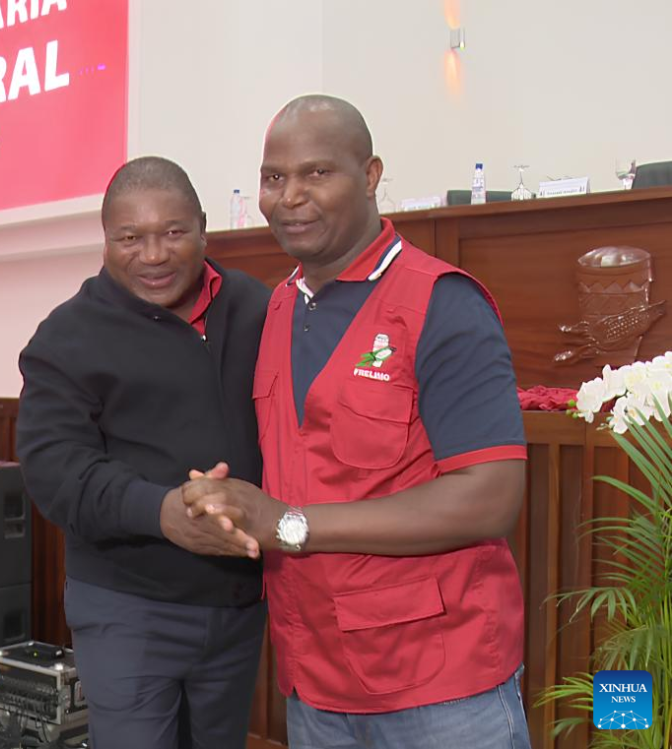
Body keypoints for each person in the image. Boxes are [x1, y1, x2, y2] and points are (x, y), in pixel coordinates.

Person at [182, 96, 532, 749]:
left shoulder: (441, 302)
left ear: (370, 175)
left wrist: (287, 523)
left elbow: (490, 497)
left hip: (439, 687)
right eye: (274, 177)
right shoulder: (278, 307)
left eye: (317, 173)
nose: (290, 196)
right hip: (315, 683)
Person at [16, 156, 270, 749]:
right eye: (130, 238)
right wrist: (163, 513)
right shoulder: (66, 337)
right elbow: (56, 471)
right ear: (106, 240)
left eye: (173, 233)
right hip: (127, 607)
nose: (153, 255)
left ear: (204, 228)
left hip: (239, 605)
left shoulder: (258, 308)